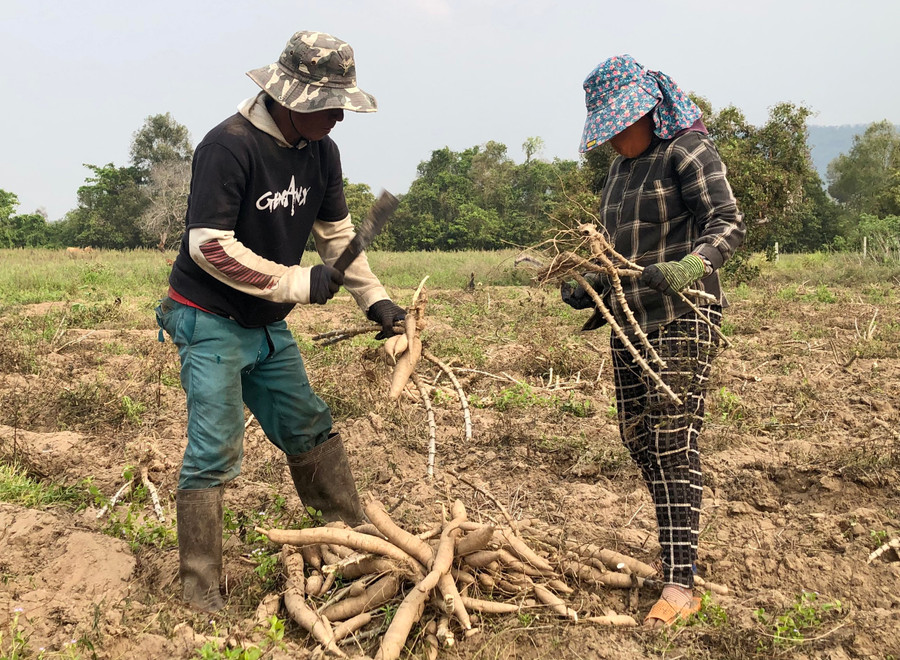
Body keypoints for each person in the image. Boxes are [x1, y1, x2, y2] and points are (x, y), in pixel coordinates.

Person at [155, 30, 407, 613]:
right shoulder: (230, 146)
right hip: (208, 317)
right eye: (330, 105)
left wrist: (377, 301)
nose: (340, 117)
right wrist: (297, 281)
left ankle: (352, 546)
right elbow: (207, 246)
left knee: (310, 427)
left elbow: (338, 236)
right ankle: (201, 593)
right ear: (291, 98)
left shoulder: (322, 152)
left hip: (266, 324)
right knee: (214, 451)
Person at [562, 55, 746, 628]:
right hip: (629, 320)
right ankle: (679, 548)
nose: (615, 137)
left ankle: (681, 584)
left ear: (647, 110)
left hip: (684, 313)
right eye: (608, 129)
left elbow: (728, 223)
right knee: (637, 435)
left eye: (621, 124)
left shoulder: (687, 151)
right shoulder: (618, 172)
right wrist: (589, 283)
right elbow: (617, 255)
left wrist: (689, 268)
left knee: (672, 438)